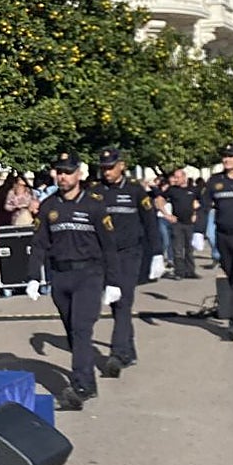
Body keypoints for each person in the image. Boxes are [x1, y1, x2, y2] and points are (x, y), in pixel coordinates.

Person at [25, 152, 121, 411]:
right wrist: (34, 277)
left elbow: (109, 246)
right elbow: (39, 244)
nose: (62, 176)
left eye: (68, 172)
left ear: (79, 173)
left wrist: (113, 282)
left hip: (89, 275)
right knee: (72, 330)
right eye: (59, 171)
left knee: (81, 328)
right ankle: (87, 381)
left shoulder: (94, 204)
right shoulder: (48, 207)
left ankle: (79, 386)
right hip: (61, 276)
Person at [94, 147, 164, 376]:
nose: (107, 172)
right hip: (105, 255)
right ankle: (129, 350)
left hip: (129, 254)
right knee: (116, 304)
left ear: (121, 165)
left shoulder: (135, 191)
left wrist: (157, 253)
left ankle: (118, 354)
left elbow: (151, 223)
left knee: (123, 302)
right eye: (103, 168)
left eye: (111, 167)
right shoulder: (95, 192)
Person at [199, 142, 233, 341]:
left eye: (230, 156)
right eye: (224, 156)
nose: (226, 159)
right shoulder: (215, 181)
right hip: (224, 236)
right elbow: (205, 206)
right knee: (230, 277)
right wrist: (199, 231)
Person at [161, 167, 200, 279]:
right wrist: (166, 214)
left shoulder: (193, 189)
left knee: (189, 249)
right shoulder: (172, 190)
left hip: (189, 223)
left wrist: (195, 213)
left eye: (178, 177)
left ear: (184, 177)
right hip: (177, 223)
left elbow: (200, 202)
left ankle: (190, 272)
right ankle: (179, 272)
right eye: (175, 177)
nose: (176, 179)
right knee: (177, 249)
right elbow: (158, 200)